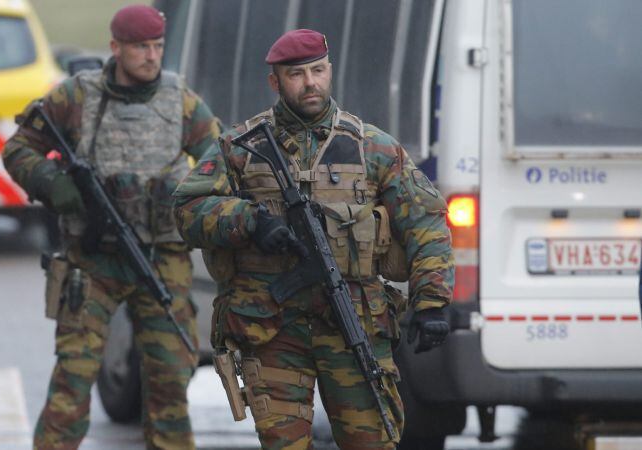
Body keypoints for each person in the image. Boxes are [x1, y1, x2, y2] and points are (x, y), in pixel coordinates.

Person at [173, 29, 454, 449]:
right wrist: (249, 220)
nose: (310, 83)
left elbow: (427, 222)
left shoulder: (371, 148)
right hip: (271, 327)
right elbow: (187, 208)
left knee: (373, 440)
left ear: (330, 71)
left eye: (318, 71)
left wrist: (432, 301)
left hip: (353, 323)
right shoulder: (241, 147)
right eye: (297, 74)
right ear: (276, 82)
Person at [2, 5, 220, 449]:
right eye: (141, 47)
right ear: (116, 47)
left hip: (161, 260)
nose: (152, 56)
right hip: (93, 262)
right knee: (74, 378)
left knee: (170, 380)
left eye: (158, 46)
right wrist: (52, 184)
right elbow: (19, 146)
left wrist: (194, 199)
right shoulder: (76, 98)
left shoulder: (180, 100)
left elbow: (220, 158)